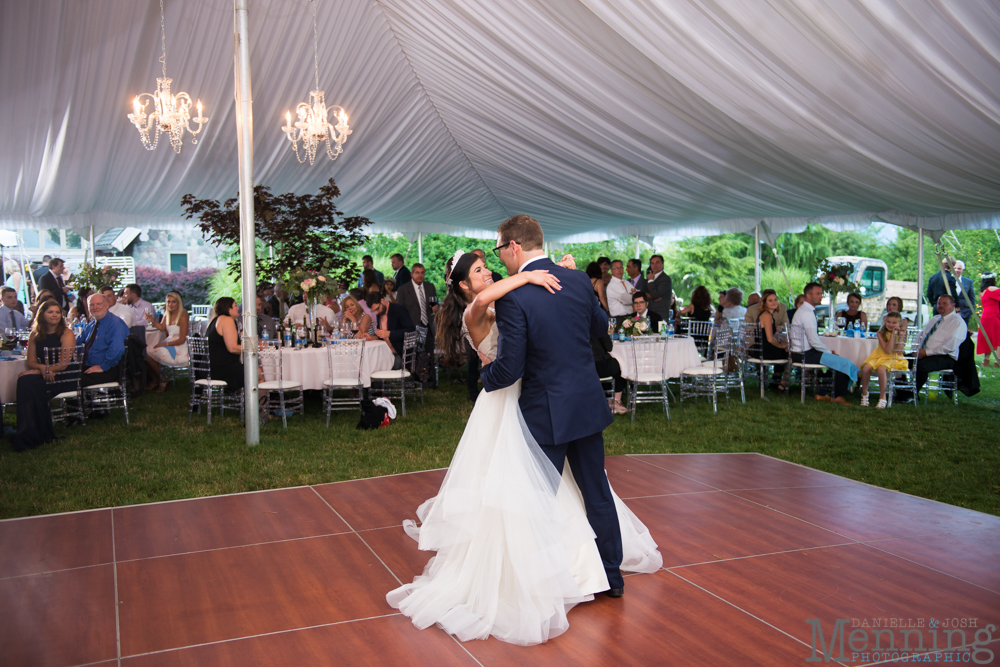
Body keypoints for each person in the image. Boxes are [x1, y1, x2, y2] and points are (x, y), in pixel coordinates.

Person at [389, 229, 660, 645]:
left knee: (542, 495)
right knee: (570, 492)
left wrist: (538, 276)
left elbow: (517, 353)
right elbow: (592, 325)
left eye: (490, 261)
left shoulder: (515, 295)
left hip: (538, 403)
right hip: (550, 402)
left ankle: (559, 577)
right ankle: (593, 576)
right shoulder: (488, 304)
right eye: (479, 269)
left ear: (513, 247)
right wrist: (540, 275)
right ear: (463, 285)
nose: (490, 269)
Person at [10, 300, 78, 451]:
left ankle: (34, 431)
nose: (55, 315)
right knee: (24, 381)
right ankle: (29, 431)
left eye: (57, 312)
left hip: (65, 375)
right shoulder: (35, 334)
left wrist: (39, 371)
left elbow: (64, 364)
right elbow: (31, 362)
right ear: (42, 315)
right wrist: (41, 368)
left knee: (29, 382)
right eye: (50, 312)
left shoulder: (66, 333)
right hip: (46, 374)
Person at [789, 282, 851, 405]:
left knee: (838, 362)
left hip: (801, 353)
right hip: (804, 354)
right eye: (818, 294)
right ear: (808, 295)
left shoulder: (805, 310)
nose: (821, 296)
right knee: (843, 363)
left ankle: (823, 393)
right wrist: (829, 352)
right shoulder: (806, 313)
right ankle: (836, 396)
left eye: (821, 294)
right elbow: (813, 340)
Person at [915, 294, 968, 394]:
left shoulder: (957, 322)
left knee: (921, 366)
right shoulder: (935, 319)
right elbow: (922, 335)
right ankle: (901, 391)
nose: (941, 306)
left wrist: (926, 353)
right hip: (925, 354)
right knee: (903, 360)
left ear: (952, 305)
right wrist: (916, 350)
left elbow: (949, 347)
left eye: (944, 303)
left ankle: (911, 395)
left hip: (945, 357)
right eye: (939, 303)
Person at [76, 293, 130, 389]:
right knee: (64, 376)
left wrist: (103, 367)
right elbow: (78, 343)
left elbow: (117, 349)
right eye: (91, 305)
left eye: (98, 304)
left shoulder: (115, 324)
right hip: (88, 367)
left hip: (108, 369)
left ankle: (82, 403)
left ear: (107, 305)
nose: (95, 307)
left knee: (72, 381)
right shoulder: (91, 326)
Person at [858, 311, 908, 409]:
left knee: (881, 368)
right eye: (888, 322)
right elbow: (887, 350)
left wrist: (900, 336)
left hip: (894, 358)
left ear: (899, 324)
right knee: (866, 367)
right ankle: (864, 393)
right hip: (880, 356)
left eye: (894, 323)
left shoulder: (901, 334)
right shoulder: (880, 333)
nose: (890, 325)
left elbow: (898, 352)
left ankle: (882, 397)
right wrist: (892, 335)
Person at [144, 290, 189, 391]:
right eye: (168, 301)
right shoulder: (167, 313)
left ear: (178, 303)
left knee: (149, 354)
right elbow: (161, 327)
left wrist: (163, 345)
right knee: (146, 354)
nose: (170, 304)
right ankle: (158, 379)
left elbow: (181, 339)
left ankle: (161, 379)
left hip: (179, 346)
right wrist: (152, 320)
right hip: (169, 342)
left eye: (173, 302)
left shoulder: (183, 315)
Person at [365, 291, 415, 369]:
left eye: (377, 309)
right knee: (368, 361)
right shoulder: (380, 313)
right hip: (384, 352)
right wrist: (372, 337)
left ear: (382, 301)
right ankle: (373, 381)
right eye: (374, 311)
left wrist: (390, 334)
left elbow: (411, 330)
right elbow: (383, 335)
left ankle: (375, 381)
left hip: (399, 354)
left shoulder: (399, 310)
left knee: (372, 364)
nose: (376, 312)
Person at [206, 297, 246, 390]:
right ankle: (259, 403)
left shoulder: (216, 320)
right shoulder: (226, 320)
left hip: (212, 367)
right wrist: (253, 348)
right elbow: (232, 348)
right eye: (235, 306)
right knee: (258, 373)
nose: (238, 308)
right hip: (221, 369)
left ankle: (242, 401)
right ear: (228, 309)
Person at [756, 289, 789, 392]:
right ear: (765, 302)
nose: (774, 302)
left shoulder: (768, 315)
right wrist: (781, 345)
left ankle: (777, 382)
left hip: (762, 349)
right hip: (764, 350)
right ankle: (781, 383)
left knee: (786, 351)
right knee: (789, 353)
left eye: (775, 299)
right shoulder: (766, 315)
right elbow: (770, 339)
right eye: (770, 300)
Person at [592, 331, 628, 414]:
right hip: (598, 362)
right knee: (621, 366)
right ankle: (615, 402)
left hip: (580, 365)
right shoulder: (596, 325)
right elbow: (609, 347)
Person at [977, 274, 999, 368]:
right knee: (998, 337)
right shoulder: (993, 289)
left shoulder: (982, 291)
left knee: (987, 337)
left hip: (985, 316)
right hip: (993, 315)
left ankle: (986, 360)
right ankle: (998, 360)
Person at [606, 259, 636, 325]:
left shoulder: (626, 282)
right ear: (611, 271)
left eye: (621, 267)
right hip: (619, 319)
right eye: (616, 268)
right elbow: (627, 300)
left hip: (630, 317)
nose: (619, 270)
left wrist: (630, 294)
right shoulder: (613, 285)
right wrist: (632, 294)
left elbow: (638, 296)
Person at [645, 254, 672, 322]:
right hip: (649, 314)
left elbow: (655, 294)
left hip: (660, 315)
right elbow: (644, 293)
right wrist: (648, 295)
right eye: (652, 263)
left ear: (662, 264)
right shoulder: (649, 277)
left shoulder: (665, 279)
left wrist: (651, 280)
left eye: (657, 262)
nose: (655, 265)